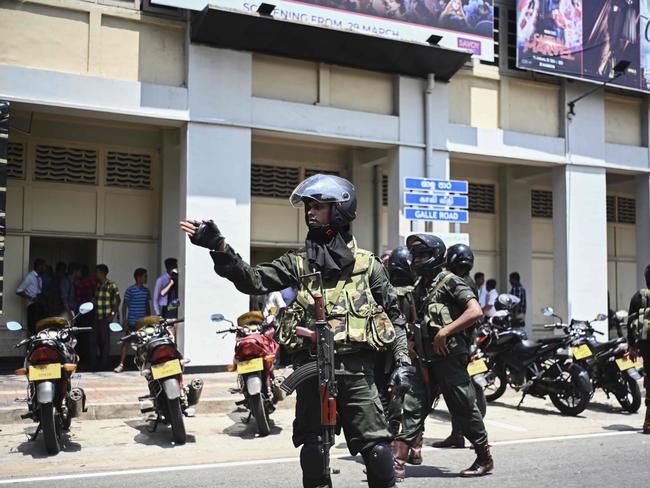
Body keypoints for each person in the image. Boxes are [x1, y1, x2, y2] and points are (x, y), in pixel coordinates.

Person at [181, 174, 413, 488]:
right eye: (308, 207)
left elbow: (395, 318)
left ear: (339, 211)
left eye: (318, 206)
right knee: (314, 448)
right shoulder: (298, 264)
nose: (310, 213)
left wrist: (403, 363)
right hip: (312, 371)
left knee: (376, 448)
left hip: (358, 372)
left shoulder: (368, 265)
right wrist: (219, 247)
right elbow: (253, 280)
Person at [402, 234, 492, 477]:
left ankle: (484, 458)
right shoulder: (420, 286)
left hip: (450, 357)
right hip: (426, 358)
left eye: (424, 255)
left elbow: (475, 312)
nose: (418, 259)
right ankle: (396, 462)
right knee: (413, 405)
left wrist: (445, 331)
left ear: (437, 256)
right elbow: (417, 321)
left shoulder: (452, 282)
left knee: (464, 407)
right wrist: (411, 341)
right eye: (416, 255)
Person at [432, 243, 487, 450]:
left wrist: (445, 332)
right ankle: (457, 434)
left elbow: (470, 314)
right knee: (456, 392)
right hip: (462, 342)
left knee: (462, 393)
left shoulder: (459, 283)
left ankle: (475, 437)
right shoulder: (466, 281)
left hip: (458, 344)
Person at [114, 268, 152, 373]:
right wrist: (124, 320)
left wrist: (149, 320)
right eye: (145, 276)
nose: (146, 278)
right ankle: (121, 364)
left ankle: (144, 365)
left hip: (143, 322)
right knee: (126, 342)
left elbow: (147, 306)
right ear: (138, 277)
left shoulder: (146, 291)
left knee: (145, 343)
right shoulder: (130, 290)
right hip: (132, 321)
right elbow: (124, 306)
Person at [627, 264, 650, 434]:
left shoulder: (639, 297)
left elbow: (630, 323)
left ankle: (648, 421)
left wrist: (632, 347)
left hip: (645, 345)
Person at [94, 264, 121, 370]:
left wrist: (113, 314)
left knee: (105, 341)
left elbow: (117, 300)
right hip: (97, 316)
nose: (96, 274)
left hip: (106, 317)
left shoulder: (112, 285)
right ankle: (95, 364)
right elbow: (96, 298)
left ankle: (104, 365)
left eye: (97, 272)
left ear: (102, 273)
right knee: (95, 340)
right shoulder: (98, 285)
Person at [16, 258, 46, 335]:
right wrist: (31, 298)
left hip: (39, 306)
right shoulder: (30, 276)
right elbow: (19, 291)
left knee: (40, 327)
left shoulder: (39, 278)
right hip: (33, 306)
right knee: (33, 328)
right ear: (39, 266)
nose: (45, 268)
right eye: (44, 266)